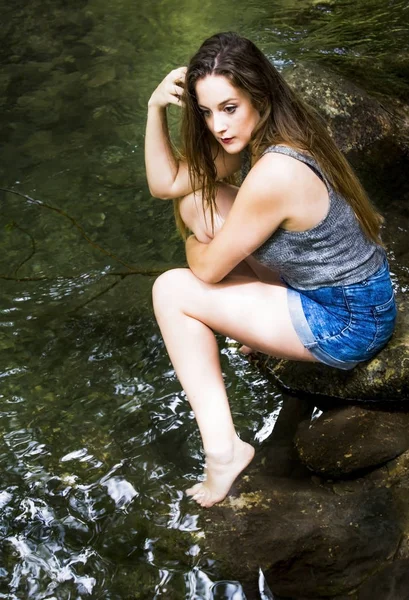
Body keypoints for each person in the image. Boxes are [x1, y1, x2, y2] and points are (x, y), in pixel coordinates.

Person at [144, 32, 397, 508]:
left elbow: (211, 271)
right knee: (201, 200)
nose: (217, 125)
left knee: (171, 291)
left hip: (347, 321)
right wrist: (155, 107)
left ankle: (224, 452)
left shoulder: (275, 171)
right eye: (206, 111)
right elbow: (167, 184)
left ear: (258, 95)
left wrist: (197, 247)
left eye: (229, 107)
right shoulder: (278, 132)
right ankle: (261, 327)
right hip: (356, 291)